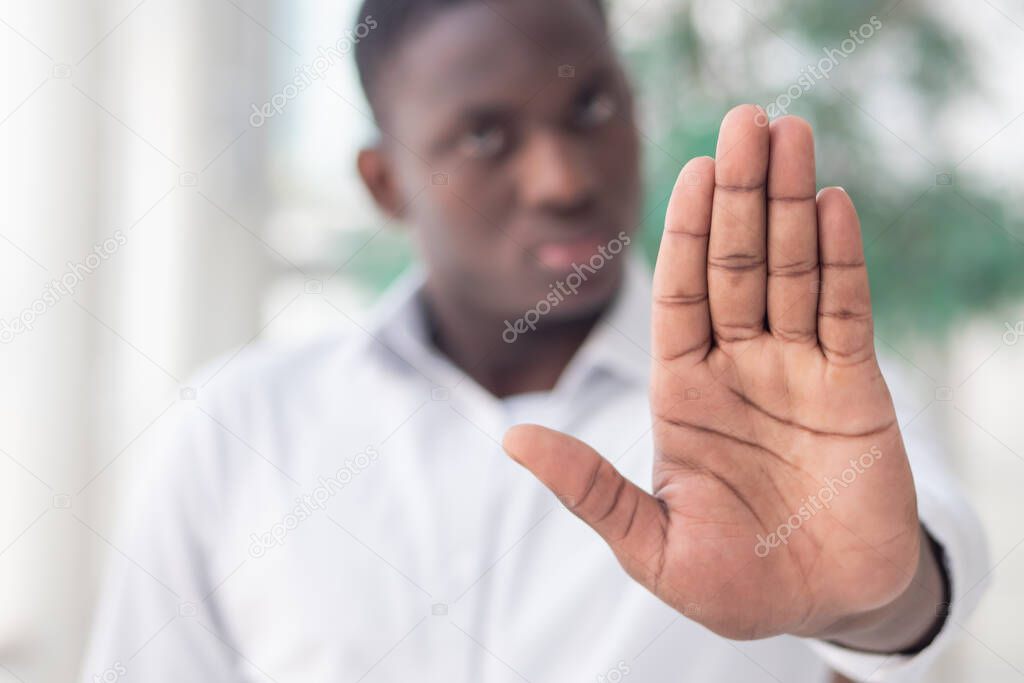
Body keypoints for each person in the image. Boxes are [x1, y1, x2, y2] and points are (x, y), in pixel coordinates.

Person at [81, 0, 989, 680]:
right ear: (386, 182)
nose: (563, 179)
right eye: (484, 134)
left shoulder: (803, 401)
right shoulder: (239, 426)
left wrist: (869, 603)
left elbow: (915, 588)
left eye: (592, 108)